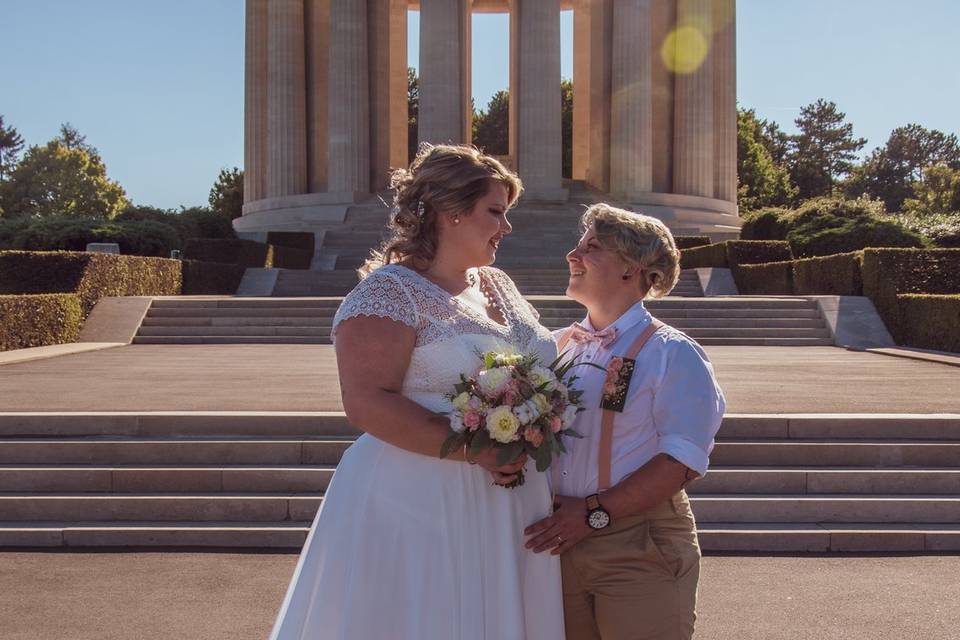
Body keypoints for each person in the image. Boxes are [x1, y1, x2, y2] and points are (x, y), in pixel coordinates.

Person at [269, 144, 565, 640]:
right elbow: (366, 401)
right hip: (420, 501)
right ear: (451, 213)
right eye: (495, 212)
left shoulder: (499, 285)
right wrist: (480, 448)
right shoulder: (390, 293)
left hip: (510, 502)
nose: (506, 228)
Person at [524, 204, 725, 640]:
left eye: (591, 247)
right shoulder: (560, 348)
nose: (572, 256)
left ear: (632, 269)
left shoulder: (673, 353)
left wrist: (593, 514)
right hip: (559, 544)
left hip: (640, 542)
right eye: (578, 245)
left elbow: (682, 460)